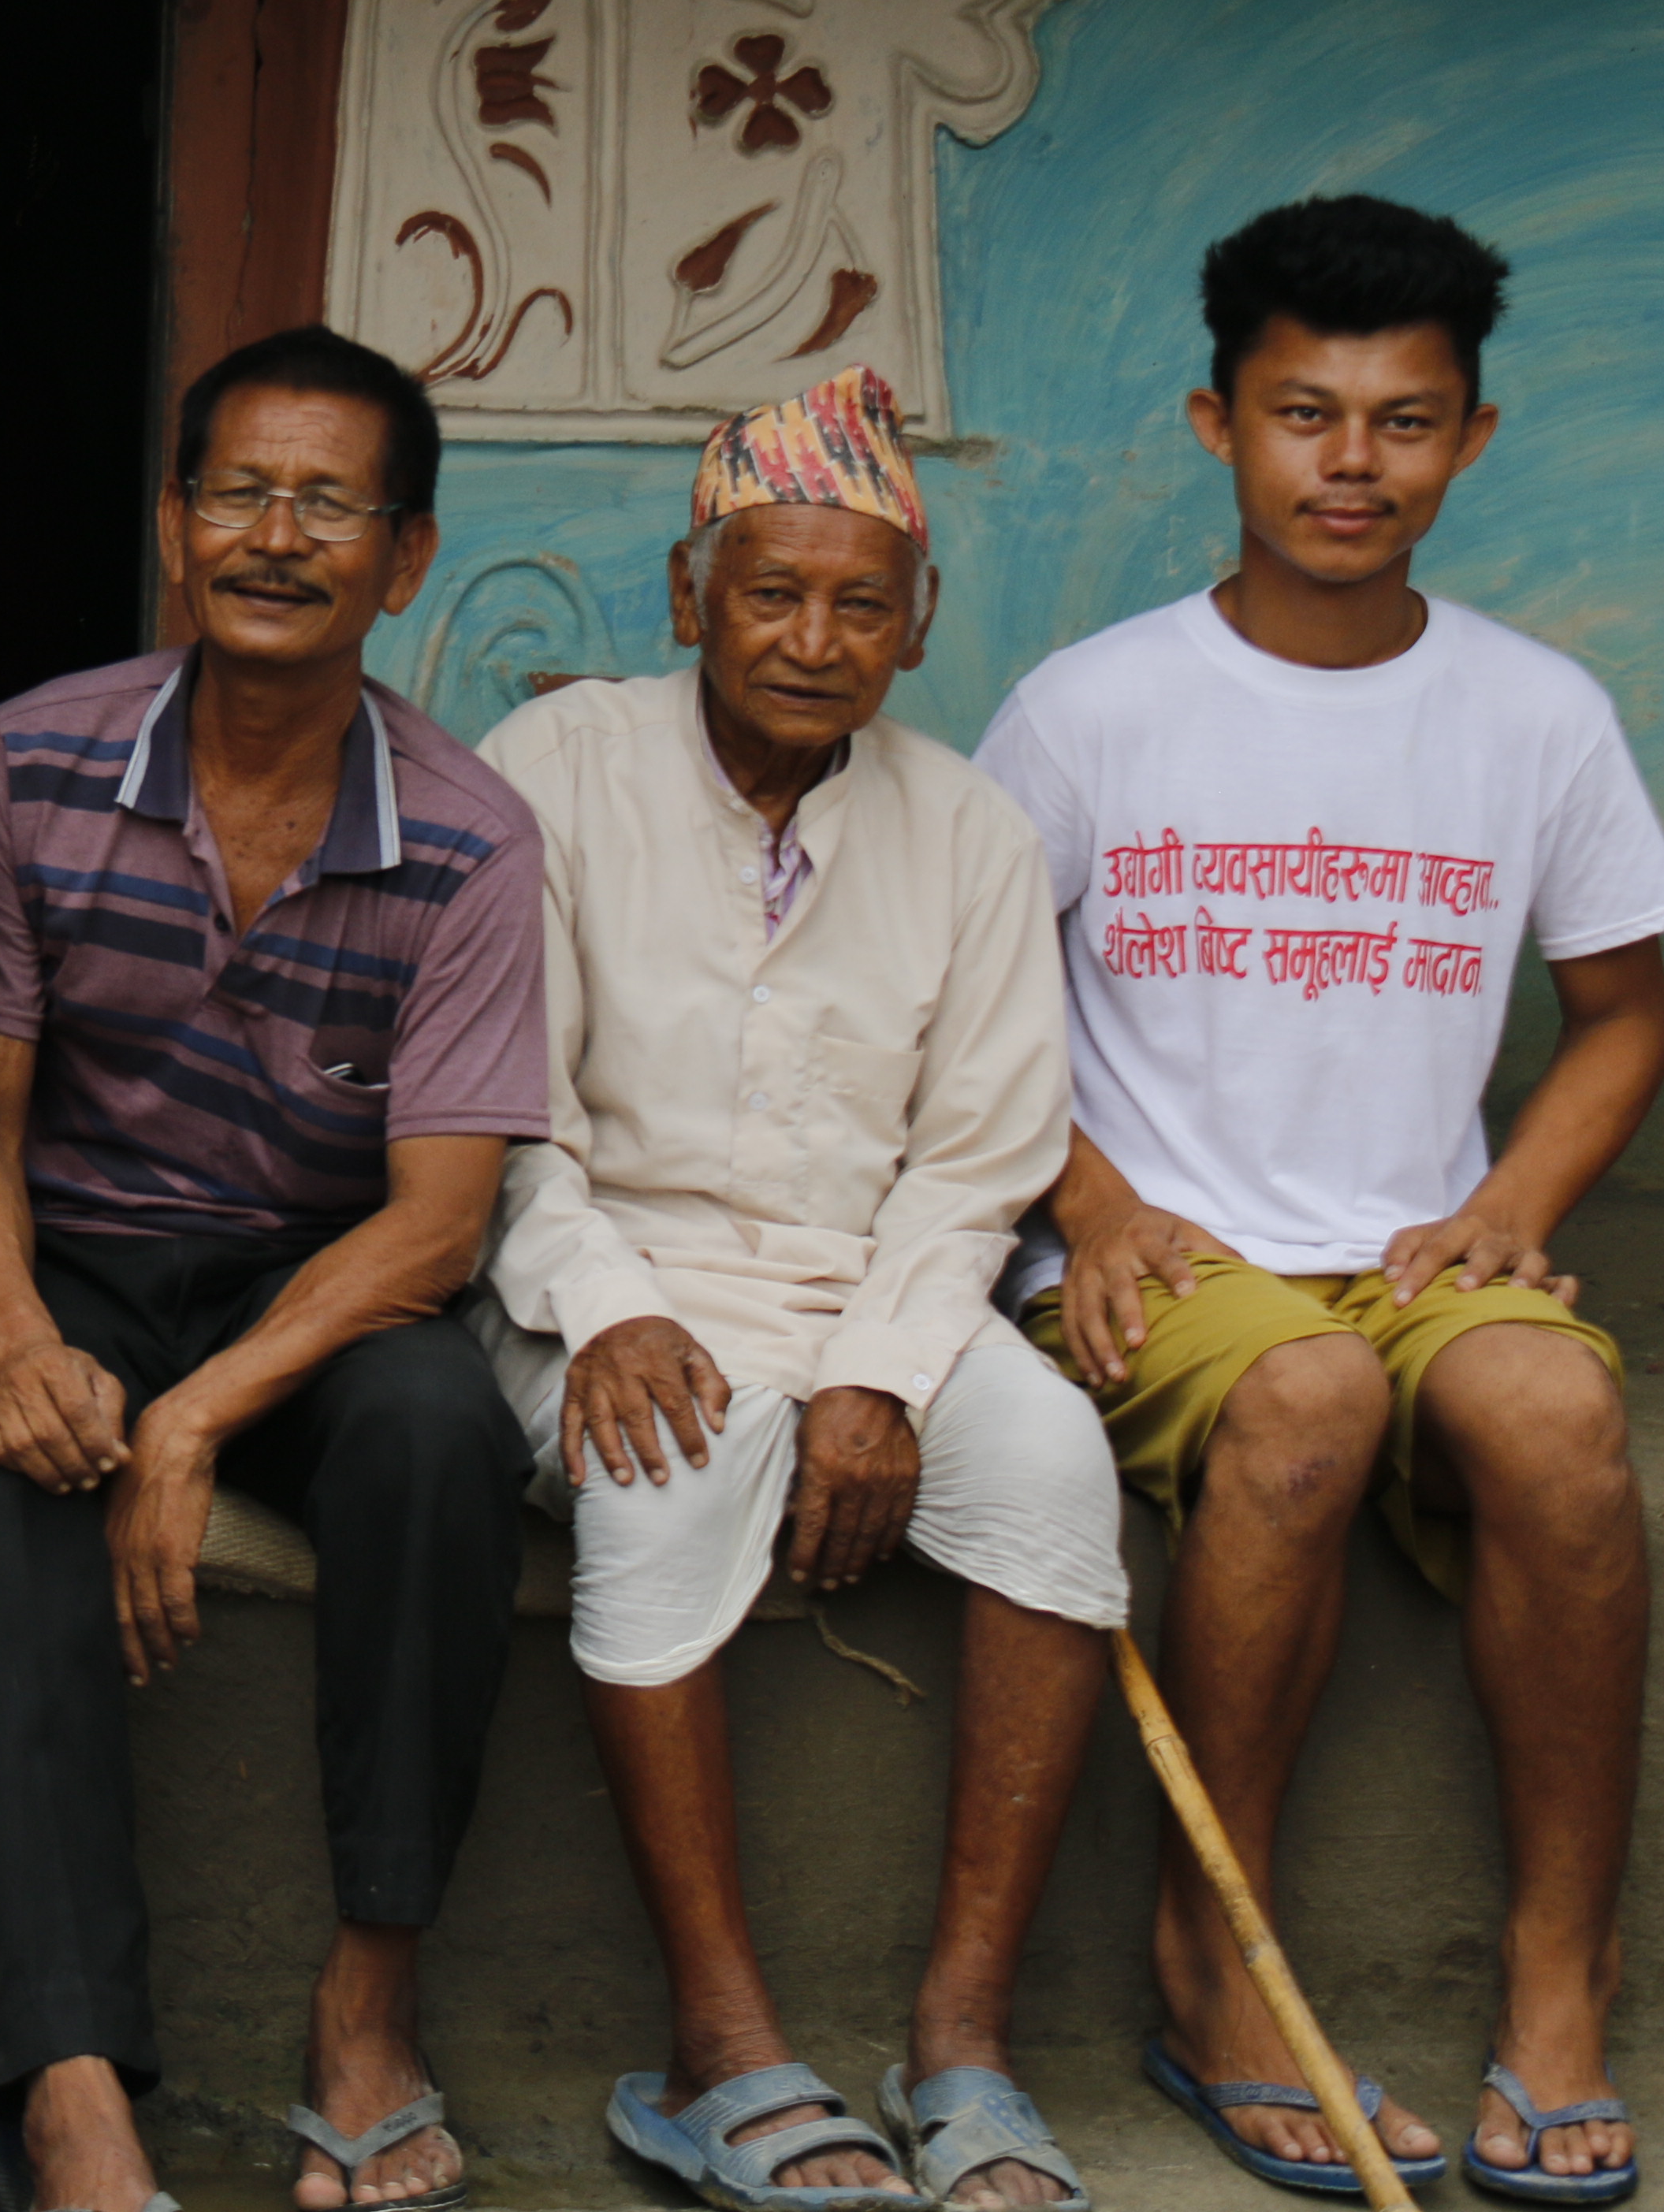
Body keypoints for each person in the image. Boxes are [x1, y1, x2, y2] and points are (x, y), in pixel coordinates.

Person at [979, 199, 1664, 2206]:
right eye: (1305, 413)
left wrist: (1514, 1197)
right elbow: (965, 1006)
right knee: (1304, 1405)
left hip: (1412, 1251)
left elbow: (1623, 1017)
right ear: (1217, 422)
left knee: (1553, 1416)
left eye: (1402, 420)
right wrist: (1092, 1209)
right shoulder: (1092, 707)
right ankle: (1219, 1956)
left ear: (1470, 438)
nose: (1349, 464)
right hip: (1170, 1256)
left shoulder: (1535, 712)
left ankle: (1564, 1975)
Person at [475, 365, 1122, 2212]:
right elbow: (506, 1112)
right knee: (670, 1478)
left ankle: (964, 2045)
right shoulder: (558, 768)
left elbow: (984, 1156)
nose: (814, 638)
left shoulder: (969, 830)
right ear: (689, 596)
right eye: (772, 593)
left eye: (862, 602)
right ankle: (722, 2050)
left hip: (873, 1287)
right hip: (607, 1276)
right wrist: (603, 1305)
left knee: (1062, 1473)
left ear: (918, 627)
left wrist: (889, 1373)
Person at [0, 324, 543, 2212]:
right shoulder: (29, 760)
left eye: (328, 505)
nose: (280, 537)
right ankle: (73, 2083)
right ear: (178, 526)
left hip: (317, 1276)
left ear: (404, 558)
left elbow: (437, 1226)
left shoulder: (470, 837)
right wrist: (20, 1339)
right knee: (3, 1484)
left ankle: (371, 1994)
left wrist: (193, 1418)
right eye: (242, 495)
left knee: (444, 1442)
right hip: (69, 1249)